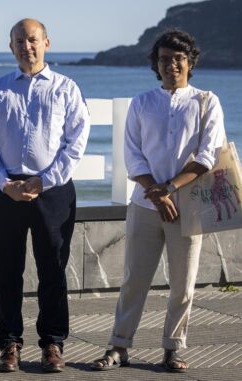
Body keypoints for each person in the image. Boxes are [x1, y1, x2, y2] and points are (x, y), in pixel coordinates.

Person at [91, 29, 225, 373]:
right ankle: (119, 346)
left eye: (178, 59)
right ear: (156, 63)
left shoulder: (206, 101)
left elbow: (207, 155)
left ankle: (173, 349)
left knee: (183, 283)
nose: (171, 65)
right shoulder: (141, 103)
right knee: (135, 279)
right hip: (145, 205)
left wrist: (170, 188)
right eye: (164, 59)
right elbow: (133, 157)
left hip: (189, 206)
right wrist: (157, 191)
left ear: (189, 62)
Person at [0, 18, 90, 373]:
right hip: (4, 190)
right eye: (19, 41)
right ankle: (9, 342)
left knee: (52, 269)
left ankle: (53, 343)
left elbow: (76, 142)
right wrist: (2, 182)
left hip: (52, 192)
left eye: (33, 39)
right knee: (6, 271)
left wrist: (45, 180)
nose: (27, 46)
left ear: (46, 43)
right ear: (11, 47)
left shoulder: (66, 88)